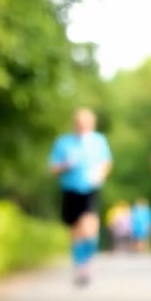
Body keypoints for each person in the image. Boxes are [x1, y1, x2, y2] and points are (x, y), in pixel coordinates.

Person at [49, 108, 112, 286]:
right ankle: (79, 264)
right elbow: (53, 168)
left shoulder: (99, 141)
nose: (82, 126)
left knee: (89, 226)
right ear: (74, 124)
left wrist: (100, 175)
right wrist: (65, 166)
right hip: (70, 189)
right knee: (75, 229)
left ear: (92, 124)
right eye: (79, 123)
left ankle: (87, 263)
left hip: (90, 188)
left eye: (86, 123)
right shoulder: (63, 143)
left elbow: (106, 163)